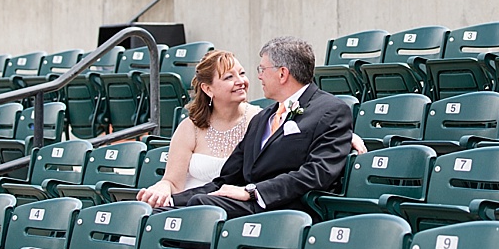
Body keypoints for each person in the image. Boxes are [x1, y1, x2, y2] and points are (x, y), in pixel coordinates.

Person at [137, 45, 366, 209]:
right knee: (160, 212)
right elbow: (226, 179)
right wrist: (171, 201)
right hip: (243, 201)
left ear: (282, 73)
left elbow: (317, 173)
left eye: (261, 70)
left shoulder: (330, 109)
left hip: (284, 206)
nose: (256, 78)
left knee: (203, 208)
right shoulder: (263, 117)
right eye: (229, 77)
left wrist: (252, 191)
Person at [136, 50, 261, 208]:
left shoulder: (260, 120)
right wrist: (162, 187)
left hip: (233, 210)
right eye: (229, 77)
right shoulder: (190, 127)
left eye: (242, 73)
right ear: (208, 89)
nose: (240, 81)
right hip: (187, 207)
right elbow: (173, 182)